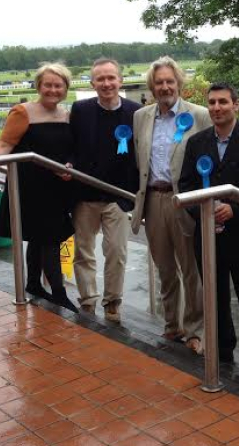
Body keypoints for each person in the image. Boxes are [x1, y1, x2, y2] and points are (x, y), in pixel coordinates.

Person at [178, 82, 239, 376]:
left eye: (223, 102)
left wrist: (237, 209)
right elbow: (186, 186)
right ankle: (223, 351)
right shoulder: (196, 143)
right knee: (214, 298)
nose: (217, 108)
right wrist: (204, 212)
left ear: (236, 105)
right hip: (207, 236)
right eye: (212, 102)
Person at [0, 62, 78, 312]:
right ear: (38, 86)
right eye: (48, 85)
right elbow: (4, 144)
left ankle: (33, 284)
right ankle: (59, 293)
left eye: (58, 85)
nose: (53, 90)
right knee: (50, 238)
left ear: (66, 88)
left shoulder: (67, 115)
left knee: (40, 238)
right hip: (30, 186)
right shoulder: (23, 112)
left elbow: (71, 149)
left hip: (57, 186)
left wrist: (70, 165)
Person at [131, 56, 212, 354]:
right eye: (159, 82)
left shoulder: (199, 115)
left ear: (179, 84)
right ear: (152, 87)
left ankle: (195, 330)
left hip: (185, 202)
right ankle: (171, 324)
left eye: (170, 81)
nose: (164, 87)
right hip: (153, 199)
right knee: (164, 267)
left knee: (191, 269)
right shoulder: (141, 117)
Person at [68, 58, 141, 321]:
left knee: (116, 253)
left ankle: (112, 303)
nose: (107, 83)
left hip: (119, 196)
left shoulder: (135, 112)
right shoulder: (80, 109)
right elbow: (72, 146)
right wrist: (70, 163)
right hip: (85, 194)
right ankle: (87, 300)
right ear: (92, 83)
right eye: (101, 79)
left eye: (111, 78)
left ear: (120, 80)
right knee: (83, 251)